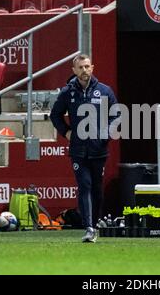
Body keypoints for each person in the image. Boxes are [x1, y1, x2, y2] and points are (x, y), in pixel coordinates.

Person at [50, 54, 118, 243]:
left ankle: (94, 224)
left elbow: (117, 115)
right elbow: (55, 115)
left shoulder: (105, 91)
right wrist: (67, 132)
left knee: (97, 189)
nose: (84, 70)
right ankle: (88, 227)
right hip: (78, 150)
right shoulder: (68, 92)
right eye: (80, 67)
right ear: (74, 70)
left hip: (99, 149)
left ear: (92, 68)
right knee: (84, 186)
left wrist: (106, 133)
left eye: (87, 66)